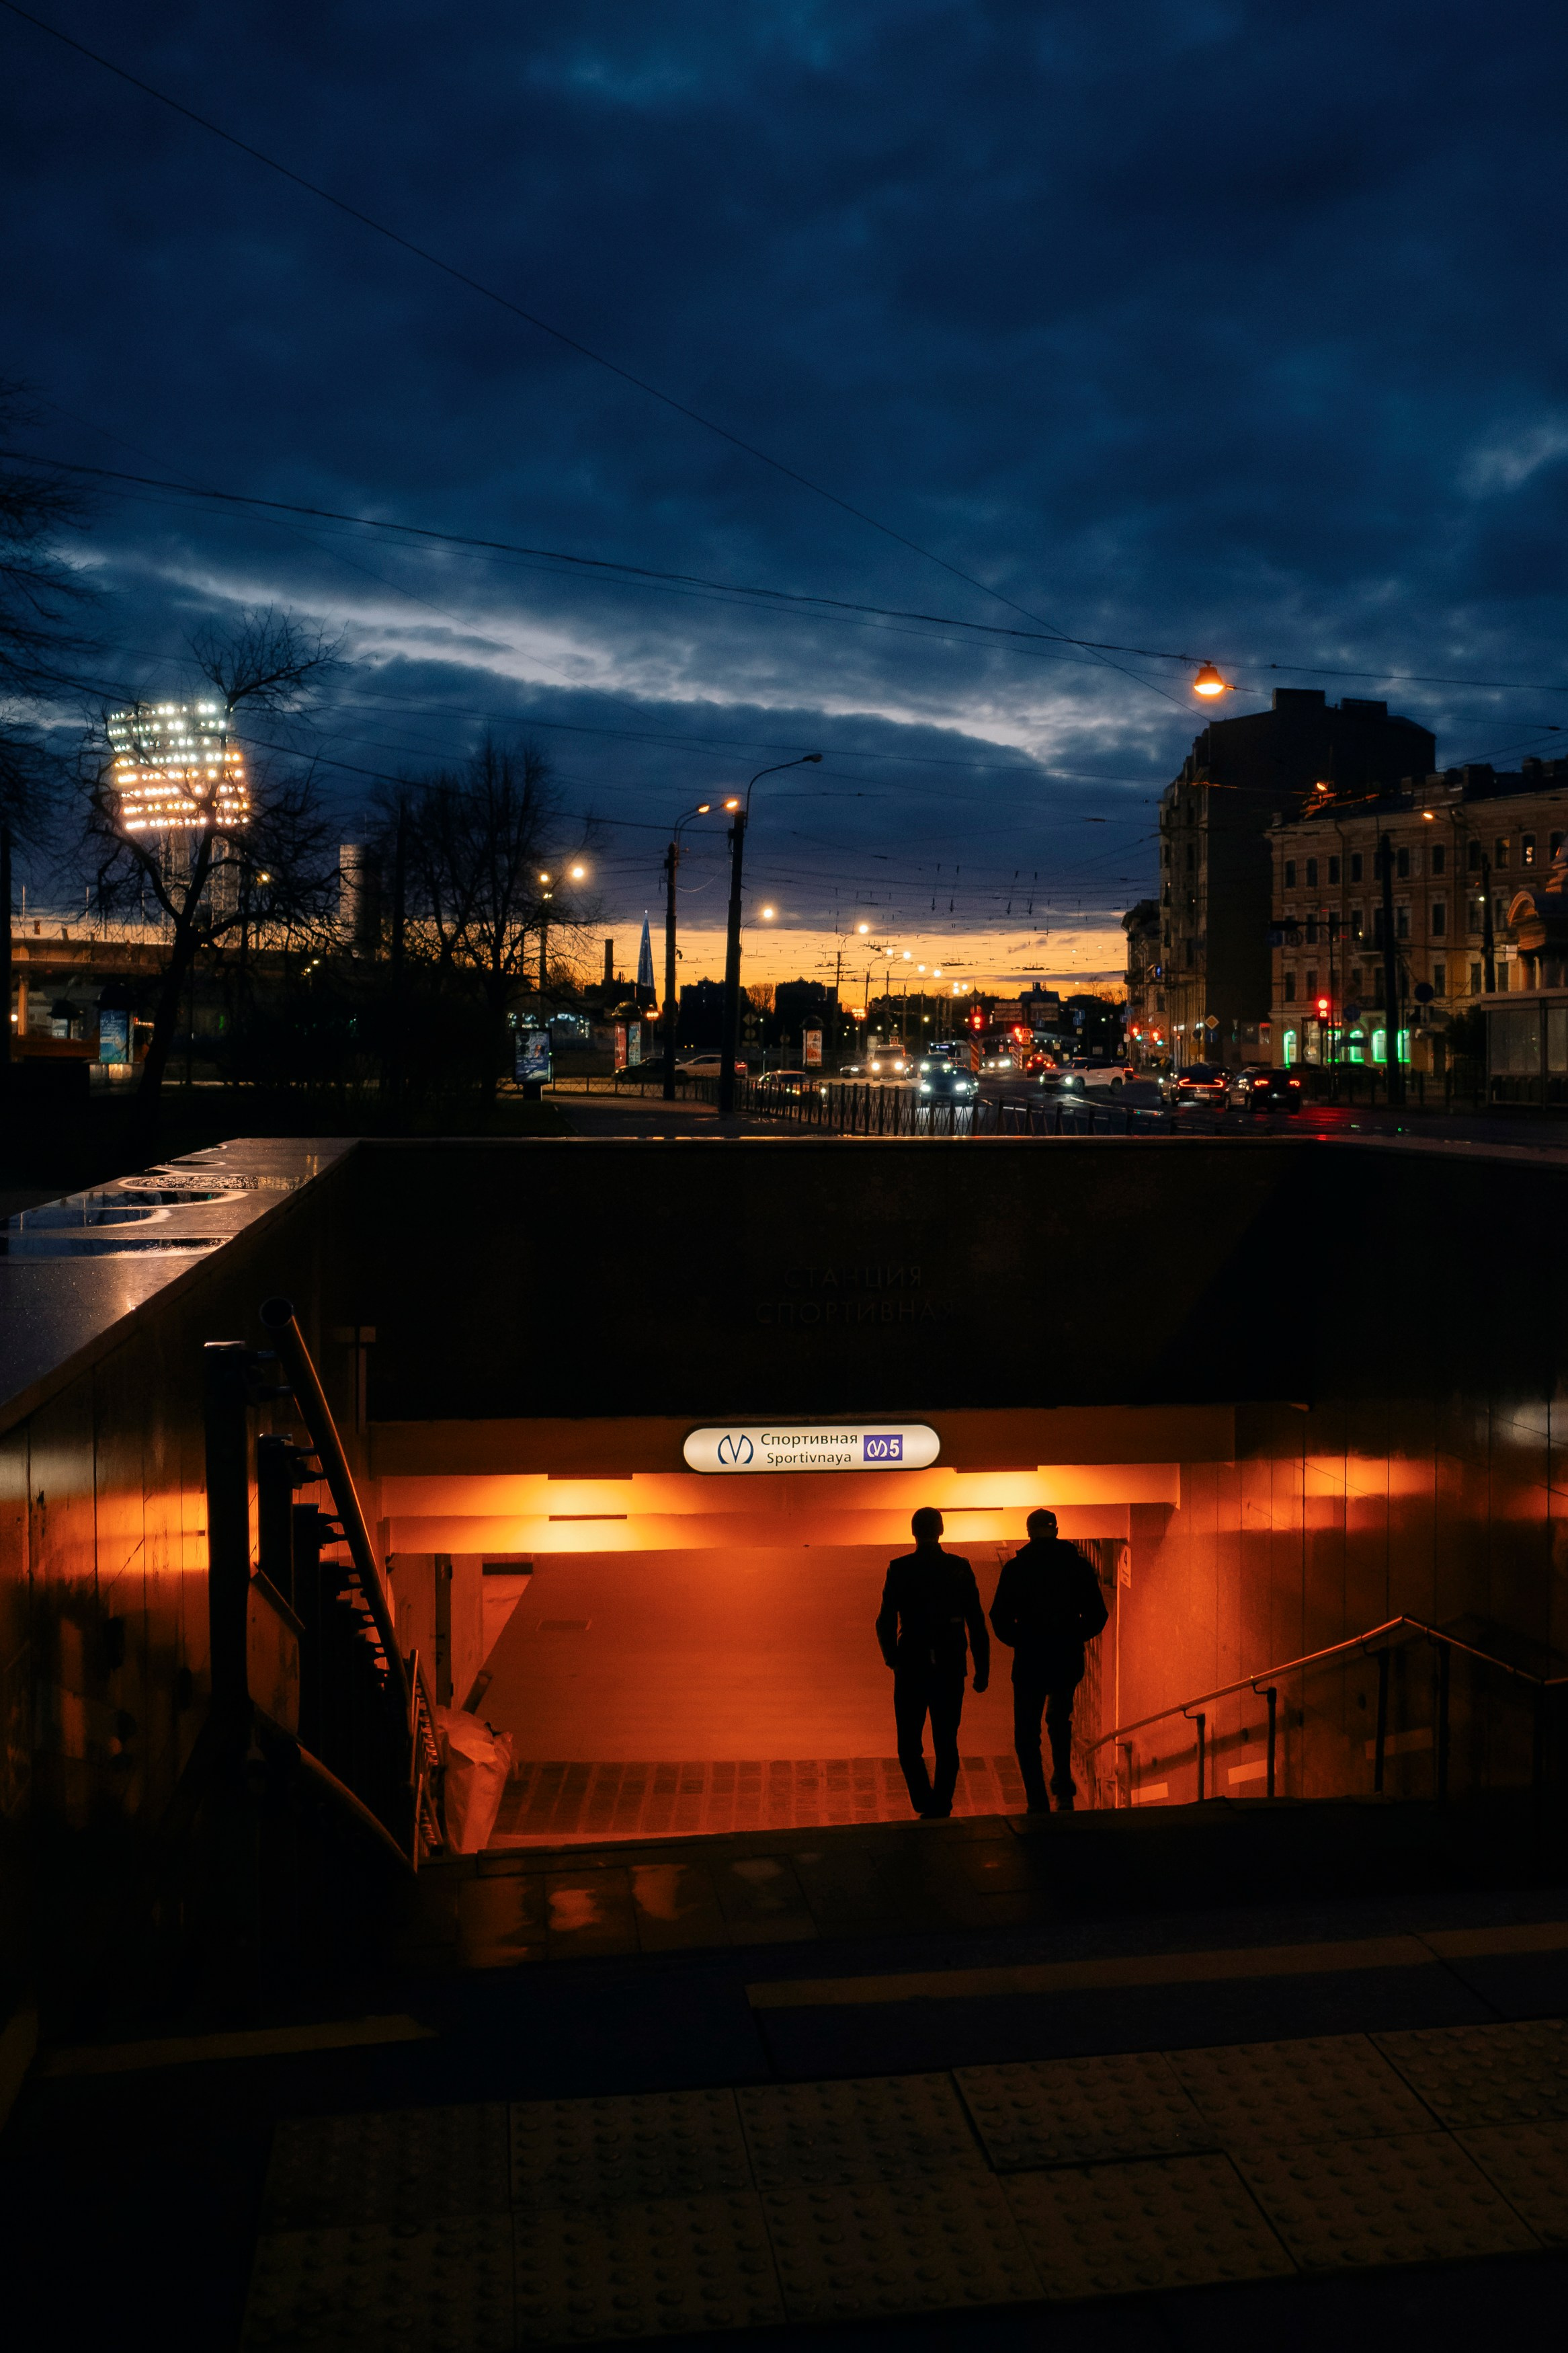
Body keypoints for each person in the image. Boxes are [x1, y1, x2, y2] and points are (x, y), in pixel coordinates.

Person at [989, 1509, 1108, 1813]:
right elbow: (1097, 1615)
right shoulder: (1077, 1567)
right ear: (1056, 1531)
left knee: (1027, 1733)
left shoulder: (1016, 1569)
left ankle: (1037, 1802)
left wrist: (1022, 1639)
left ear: (1029, 1533)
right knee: (1059, 1719)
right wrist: (1072, 1635)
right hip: (1066, 1659)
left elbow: (999, 1616)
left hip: (1030, 1661)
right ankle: (1064, 1788)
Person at [875, 1506, 989, 1819]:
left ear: (914, 1532)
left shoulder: (899, 1569)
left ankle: (924, 1804)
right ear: (941, 1531)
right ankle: (941, 1805)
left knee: (909, 1744)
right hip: (951, 1666)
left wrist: (892, 1659)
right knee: (946, 1741)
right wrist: (982, 1668)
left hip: (911, 1665)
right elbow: (976, 1621)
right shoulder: (959, 1568)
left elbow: (885, 1620)